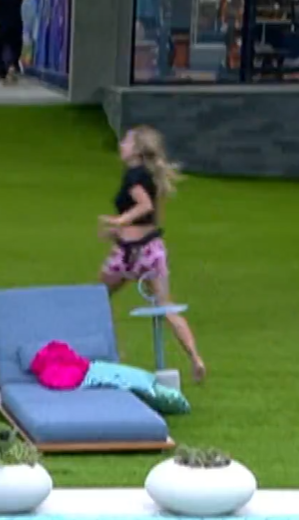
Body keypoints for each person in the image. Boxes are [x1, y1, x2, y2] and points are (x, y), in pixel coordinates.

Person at [98, 125, 206, 382]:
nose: (121, 145)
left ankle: (114, 352)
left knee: (97, 298)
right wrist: (119, 230)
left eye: (126, 142)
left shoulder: (134, 175)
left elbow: (144, 205)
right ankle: (195, 358)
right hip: (150, 249)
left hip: (127, 253)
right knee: (166, 306)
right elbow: (148, 215)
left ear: (137, 150)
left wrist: (119, 221)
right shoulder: (147, 175)